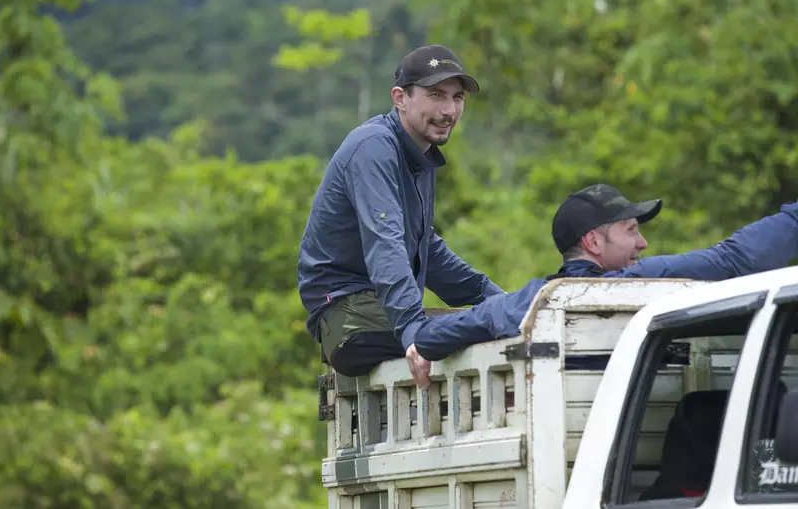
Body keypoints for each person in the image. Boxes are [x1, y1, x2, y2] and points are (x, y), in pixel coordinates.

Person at [409, 183, 798, 373]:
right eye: (631, 230)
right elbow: (735, 259)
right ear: (594, 241)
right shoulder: (642, 279)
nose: (643, 243)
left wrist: (422, 347)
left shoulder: (531, 300)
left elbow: (434, 334)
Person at [297, 44, 504, 380]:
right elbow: (386, 243)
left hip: (379, 314)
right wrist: (413, 330)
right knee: (488, 327)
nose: (449, 109)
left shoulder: (420, 156)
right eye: (436, 95)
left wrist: (495, 296)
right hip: (351, 318)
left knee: (499, 317)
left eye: (457, 97)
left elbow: (428, 251)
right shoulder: (374, 147)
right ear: (400, 98)